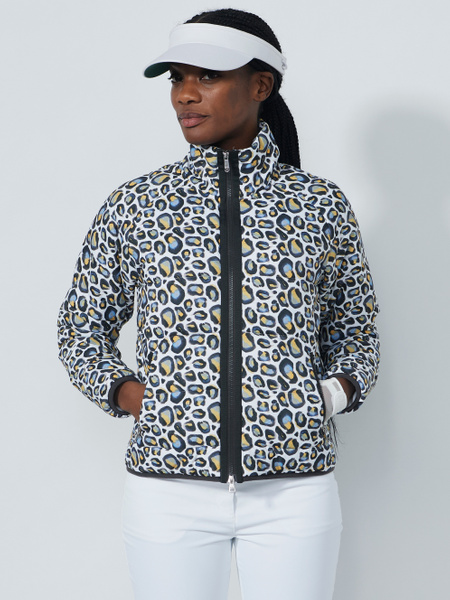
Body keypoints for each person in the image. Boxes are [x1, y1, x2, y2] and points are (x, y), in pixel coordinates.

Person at [57, 8, 380, 600]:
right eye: (177, 78)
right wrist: (137, 398)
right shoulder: (138, 205)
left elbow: (355, 330)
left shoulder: (320, 205)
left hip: (294, 491)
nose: (185, 94)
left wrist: (326, 397)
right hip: (168, 492)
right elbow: (80, 328)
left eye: (207, 76)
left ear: (261, 85)